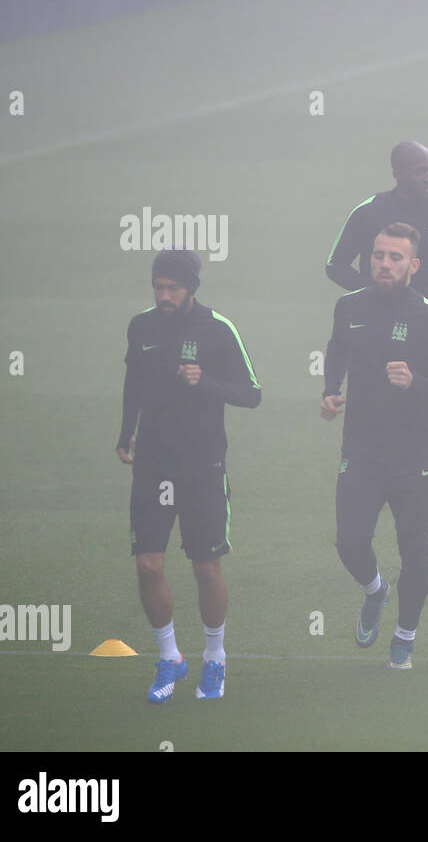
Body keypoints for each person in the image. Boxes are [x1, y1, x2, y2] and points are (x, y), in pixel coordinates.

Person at [117, 248, 261, 702]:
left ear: (191, 289)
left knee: (205, 568)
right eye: (158, 287)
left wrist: (207, 381)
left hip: (202, 466)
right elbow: (133, 383)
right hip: (154, 464)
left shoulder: (218, 330)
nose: (164, 295)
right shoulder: (141, 327)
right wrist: (126, 433)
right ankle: (170, 658)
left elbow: (252, 394)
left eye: (172, 288)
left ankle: (214, 659)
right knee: (148, 565)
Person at [321, 222, 428, 671]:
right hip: (361, 450)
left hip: (415, 455)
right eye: (378, 254)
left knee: (415, 550)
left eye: (395, 257)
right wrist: (330, 389)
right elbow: (337, 349)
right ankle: (375, 589)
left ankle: (405, 635)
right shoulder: (348, 307)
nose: (384, 263)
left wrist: (414, 382)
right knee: (349, 541)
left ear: (413, 266)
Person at [324, 140, 428, 338]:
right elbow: (335, 264)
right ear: (397, 174)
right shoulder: (368, 212)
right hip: (380, 318)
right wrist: (373, 291)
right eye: (420, 172)